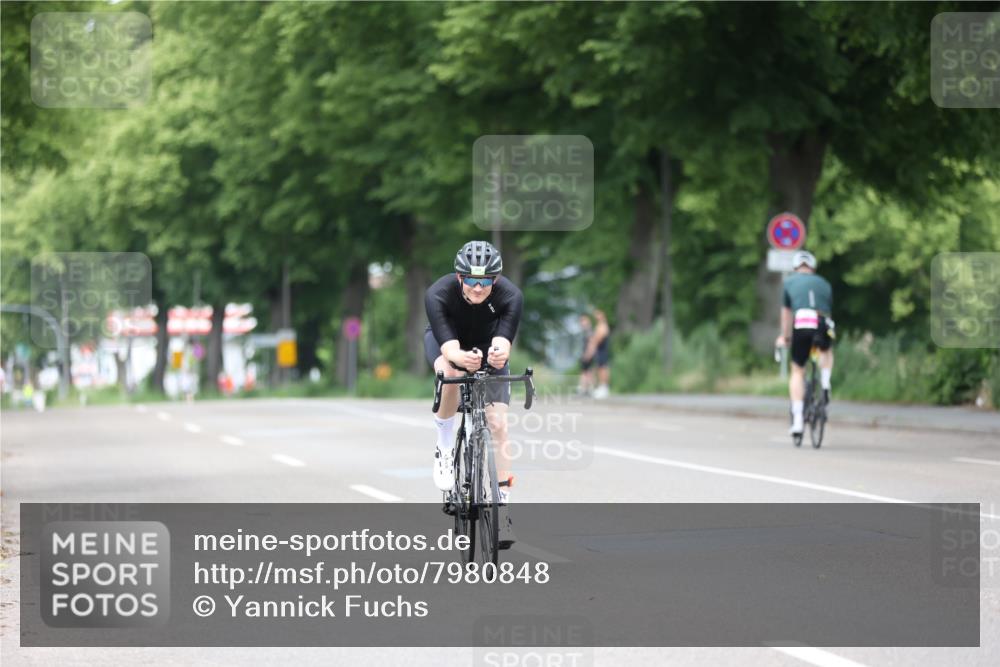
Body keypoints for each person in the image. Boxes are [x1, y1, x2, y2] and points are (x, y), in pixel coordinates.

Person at [425, 240, 523, 548]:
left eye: (485, 282)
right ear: (459, 277)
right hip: (448, 344)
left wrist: (498, 354)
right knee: (452, 373)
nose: (478, 288)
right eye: (470, 280)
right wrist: (459, 358)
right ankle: (444, 446)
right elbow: (450, 350)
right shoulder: (438, 294)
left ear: (495, 279)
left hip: (486, 345)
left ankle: (502, 510)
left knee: (498, 425)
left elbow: (503, 342)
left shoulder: (511, 296)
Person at [775, 250, 835, 435]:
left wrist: (785, 337)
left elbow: (786, 315)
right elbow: (828, 309)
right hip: (822, 321)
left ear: (795, 268)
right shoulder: (824, 283)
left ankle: (798, 421)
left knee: (797, 370)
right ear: (813, 268)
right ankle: (825, 382)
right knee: (825, 351)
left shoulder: (789, 282)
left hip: (802, 321)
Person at [585, 309, 611, 399]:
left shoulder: (603, 325)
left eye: (598, 314)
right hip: (599, 350)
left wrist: (593, 342)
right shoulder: (599, 325)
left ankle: (604, 387)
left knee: (603, 368)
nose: (596, 316)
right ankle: (601, 386)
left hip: (602, 350)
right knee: (600, 368)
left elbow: (599, 337)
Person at [577, 314, 595, 395]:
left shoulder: (589, 331)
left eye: (583, 320)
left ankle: (589, 389)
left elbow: (591, 343)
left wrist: (588, 354)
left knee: (588, 372)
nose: (582, 323)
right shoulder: (585, 331)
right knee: (585, 372)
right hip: (585, 354)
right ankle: (585, 389)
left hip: (588, 354)